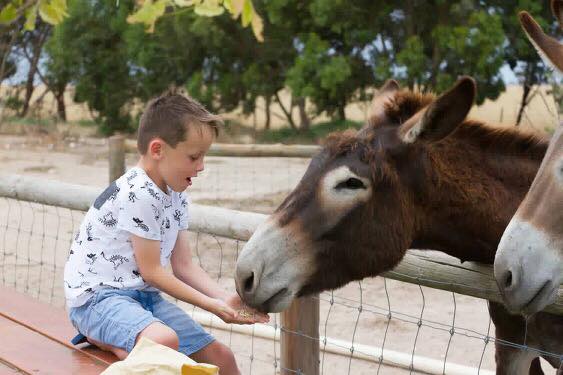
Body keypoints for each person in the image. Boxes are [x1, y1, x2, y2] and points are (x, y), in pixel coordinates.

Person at [63, 91, 269, 375]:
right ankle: (105, 339)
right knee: (164, 342)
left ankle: (125, 346)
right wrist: (212, 306)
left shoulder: (175, 193)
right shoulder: (138, 193)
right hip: (97, 300)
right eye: (194, 157)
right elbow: (153, 272)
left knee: (221, 358)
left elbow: (183, 266)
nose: (201, 166)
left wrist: (224, 299)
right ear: (158, 150)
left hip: (144, 300)